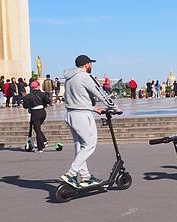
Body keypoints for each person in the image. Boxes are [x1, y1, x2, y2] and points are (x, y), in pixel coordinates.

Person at [60, 55, 112, 188]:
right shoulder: (84, 76)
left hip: (71, 114)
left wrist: (94, 108)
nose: (92, 66)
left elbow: (77, 98)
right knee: (90, 144)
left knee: (80, 146)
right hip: (82, 115)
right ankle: (71, 173)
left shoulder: (69, 78)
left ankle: (85, 177)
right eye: (91, 64)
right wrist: (113, 107)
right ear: (86, 64)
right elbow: (99, 92)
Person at [22, 80, 51, 152]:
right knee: (36, 128)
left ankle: (40, 147)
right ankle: (44, 141)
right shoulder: (43, 94)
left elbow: (25, 106)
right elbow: (48, 101)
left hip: (35, 113)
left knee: (37, 130)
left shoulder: (28, 96)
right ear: (38, 86)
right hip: (42, 112)